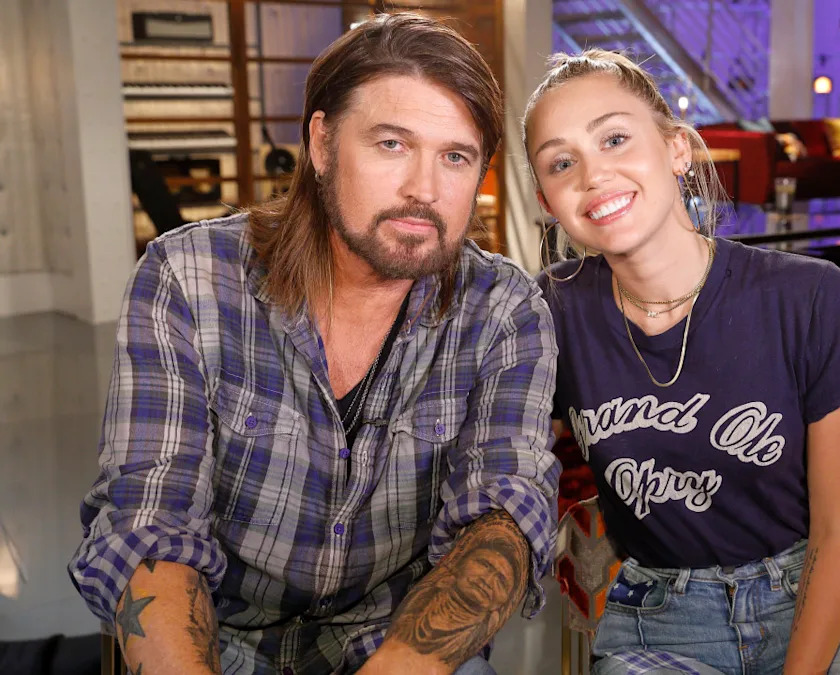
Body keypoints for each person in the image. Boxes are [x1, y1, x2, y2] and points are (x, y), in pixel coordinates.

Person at [69, 13, 559, 675]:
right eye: (392, 143)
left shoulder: (504, 309)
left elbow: (503, 512)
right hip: (221, 633)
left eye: (455, 156)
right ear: (322, 143)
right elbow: (151, 519)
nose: (424, 188)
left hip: (395, 634)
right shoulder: (188, 279)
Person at [524, 50, 840, 675]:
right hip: (657, 618)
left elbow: (839, 532)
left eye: (614, 139)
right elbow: (501, 453)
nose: (593, 175)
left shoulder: (811, 296)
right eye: (562, 162)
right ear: (548, 199)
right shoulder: (553, 310)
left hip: (809, 598)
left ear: (677, 148)